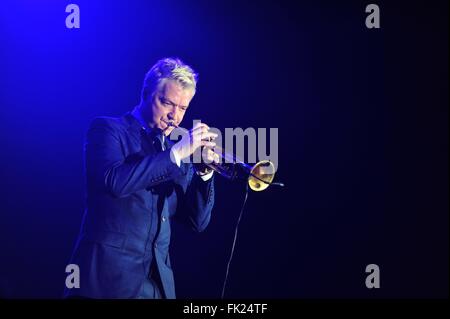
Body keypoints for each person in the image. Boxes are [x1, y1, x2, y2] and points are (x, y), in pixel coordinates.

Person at [65, 57, 218, 299]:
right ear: (146, 93)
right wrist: (176, 153)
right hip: (105, 282)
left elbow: (196, 222)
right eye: (167, 103)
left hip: (157, 286)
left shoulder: (173, 150)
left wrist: (204, 173)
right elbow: (115, 181)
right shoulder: (107, 129)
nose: (175, 117)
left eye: (183, 108)